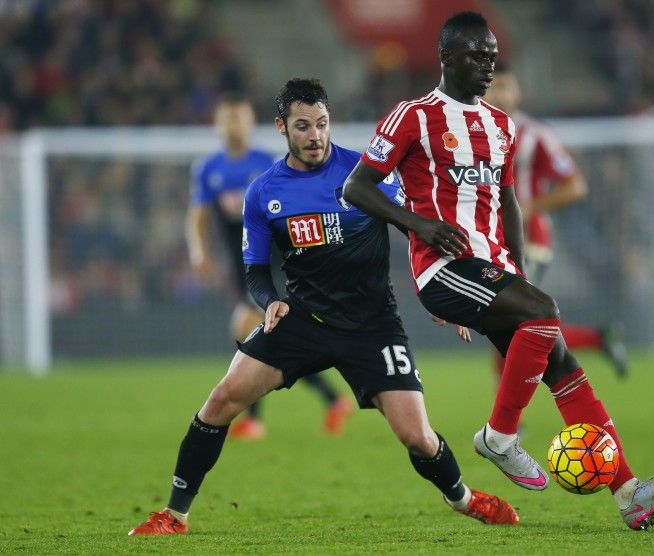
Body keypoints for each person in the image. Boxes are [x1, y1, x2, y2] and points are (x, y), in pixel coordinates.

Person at [342, 12, 654, 531]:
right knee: (546, 315)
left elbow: (507, 204)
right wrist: (420, 224)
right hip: (442, 266)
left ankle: (630, 495)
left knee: (565, 368)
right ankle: (499, 437)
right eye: (475, 56)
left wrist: (519, 277)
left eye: (491, 56)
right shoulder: (412, 116)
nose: (486, 66)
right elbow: (358, 188)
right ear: (446, 57)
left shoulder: (500, 124)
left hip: (493, 266)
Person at [129, 78, 519, 536]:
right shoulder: (264, 192)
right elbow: (254, 269)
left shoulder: (365, 176)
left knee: (417, 436)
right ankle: (174, 516)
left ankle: (465, 499)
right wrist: (269, 301)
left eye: (321, 124)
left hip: (373, 325)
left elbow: (415, 230)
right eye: (302, 126)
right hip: (303, 319)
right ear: (281, 128)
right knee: (219, 401)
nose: (314, 136)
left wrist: (439, 292)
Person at [187, 92, 353, 439]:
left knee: (250, 328)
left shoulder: (266, 162)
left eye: (241, 118)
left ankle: (254, 420)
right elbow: (198, 216)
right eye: (229, 118)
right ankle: (331, 399)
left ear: (251, 123)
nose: (235, 125)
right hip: (242, 263)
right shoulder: (208, 169)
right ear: (218, 124)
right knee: (270, 337)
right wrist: (198, 251)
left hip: (273, 259)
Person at [483, 61, 629, 383]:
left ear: (519, 91)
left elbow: (575, 186)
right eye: (495, 85)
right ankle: (599, 338)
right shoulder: (467, 132)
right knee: (509, 325)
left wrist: (530, 206)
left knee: (508, 323)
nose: (501, 94)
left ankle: (508, 422)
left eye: (507, 85)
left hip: (528, 241)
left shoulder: (536, 136)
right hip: (489, 243)